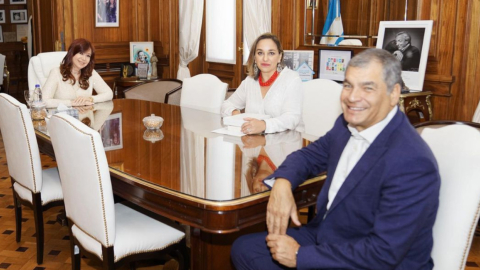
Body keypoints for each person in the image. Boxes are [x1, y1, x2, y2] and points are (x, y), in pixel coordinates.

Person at [231, 48, 440, 269]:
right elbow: (308, 156)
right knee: (244, 249)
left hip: (372, 258)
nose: (351, 97)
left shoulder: (413, 163)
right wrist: (283, 183)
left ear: (394, 93)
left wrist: (300, 257)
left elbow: (383, 254)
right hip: (328, 235)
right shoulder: (347, 124)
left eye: (367, 87)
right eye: (348, 85)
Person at [220, 33, 303, 134]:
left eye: (271, 53)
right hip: (254, 143)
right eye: (260, 53)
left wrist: (264, 125)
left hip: (285, 142)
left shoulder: (291, 79)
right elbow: (226, 105)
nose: (265, 59)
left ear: (280, 57)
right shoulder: (249, 81)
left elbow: (292, 118)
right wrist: (234, 113)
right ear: (254, 57)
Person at [42, 38, 113, 108]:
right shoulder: (56, 73)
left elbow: (109, 94)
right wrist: (71, 103)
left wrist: (91, 99)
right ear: (72, 53)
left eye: (88, 55)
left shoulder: (91, 73)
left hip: (85, 118)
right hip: (63, 118)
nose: (84, 59)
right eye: (81, 53)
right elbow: (44, 101)